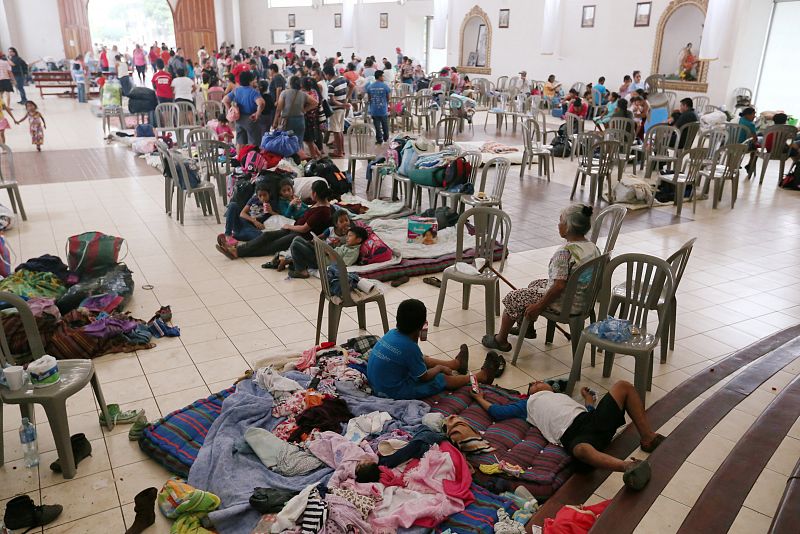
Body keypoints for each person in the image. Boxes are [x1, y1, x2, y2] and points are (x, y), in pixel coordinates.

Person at [471, 379, 664, 489]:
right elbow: (497, 411)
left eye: (540, 382)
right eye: (533, 385)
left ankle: (647, 437)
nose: (537, 382)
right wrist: (480, 398)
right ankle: (627, 467)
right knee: (581, 451)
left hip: (591, 420)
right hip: (574, 435)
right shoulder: (527, 405)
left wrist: (589, 400)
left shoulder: (560, 396)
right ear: (529, 394)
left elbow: (586, 411)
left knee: (622, 386)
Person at [483, 204, 601, 351]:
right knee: (535, 283)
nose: (558, 225)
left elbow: (558, 286)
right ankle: (526, 328)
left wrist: (539, 307)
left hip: (564, 304)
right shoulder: (593, 247)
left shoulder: (565, 252)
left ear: (568, 227)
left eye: (561, 222)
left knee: (514, 297)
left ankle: (500, 340)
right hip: (583, 301)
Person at [367, 299, 502, 400]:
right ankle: (481, 376)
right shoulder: (410, 347)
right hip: (391, 392)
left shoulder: (391, 334)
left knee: (421, 359)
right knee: (441, 378)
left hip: (377, 383)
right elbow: (424, 377)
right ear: (422, 325)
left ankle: (455, 364)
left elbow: (412, 357)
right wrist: (439, 368)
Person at [216, 180, 335, 259]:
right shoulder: (317, 205)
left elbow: (304, 229)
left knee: (272, 246)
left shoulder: (323, 210)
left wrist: (289, 226)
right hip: (294, 228)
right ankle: (236, 248)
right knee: (266, 236)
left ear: (314, 193)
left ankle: (238, 252)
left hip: (301, 236)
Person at [269, 209, 352, 273]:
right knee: (298, 239)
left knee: (297, 242)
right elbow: (318, 238)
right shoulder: (331, 230)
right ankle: (287, 260)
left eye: (346, 220)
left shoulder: (349, 235)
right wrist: (313, 242)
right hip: (319, 248)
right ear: (336, 224)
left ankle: (287, 261)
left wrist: (341, 241)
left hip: (326, 254)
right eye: (341, 221)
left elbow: (343, 248)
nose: (345, 223)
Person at [224, 70, 265, 148]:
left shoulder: (236, 90)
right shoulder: (253, 92)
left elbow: (225, 100)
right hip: (251, 119)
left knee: (240, 143)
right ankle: (251, 160)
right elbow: (261, 103)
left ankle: (240, 159)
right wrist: (257, 114)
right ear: (250, 81)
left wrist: (231, 110)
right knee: (253, 144)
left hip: (239, 119)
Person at [272, 75, 313, 144]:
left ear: (290, 83)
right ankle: (300, 154)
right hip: (300, 120)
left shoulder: (284, 93)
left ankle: (290, 155)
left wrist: (275, 122)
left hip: (288, 121)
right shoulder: (303, 94)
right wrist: (305, 110)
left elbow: (278, 109)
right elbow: (315, 103)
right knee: (299, 142)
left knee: (287, 142)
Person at [324, 64, 351, 158]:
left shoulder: (331, 85)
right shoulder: (343, 79)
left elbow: (332, 101)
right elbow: (352, 86)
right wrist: (346, 99)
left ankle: (339, 152)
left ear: (327, 74)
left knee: (336, 131)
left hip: (335, 110)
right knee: (340, 130)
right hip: (342, 109)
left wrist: (343, 104)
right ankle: (341, 150)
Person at [301, 76, 323, 158]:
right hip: (313, 119)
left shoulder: (305, 94)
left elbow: (315, 103)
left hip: (307, 120)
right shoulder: (314, 91)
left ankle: (314, 159)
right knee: (310, 141)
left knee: (309, 141)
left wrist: (304, 110)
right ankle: (319, 156)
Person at [366, 70, 391, 145]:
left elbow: (369, 99)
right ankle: (386, 138)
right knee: (385, 125)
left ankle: (379, 139)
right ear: (380, 77)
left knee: (377, 126)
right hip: (383, 109)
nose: (383, 77)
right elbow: (388, 98)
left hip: (374, 110)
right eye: (383, 76)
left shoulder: (370, 86)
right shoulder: (385, 86)